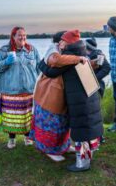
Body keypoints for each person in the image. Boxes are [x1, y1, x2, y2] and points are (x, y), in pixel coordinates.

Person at [30, 32, 86, 161]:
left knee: (63, 123)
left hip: (63, 93)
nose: (60, 43)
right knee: (51, 122)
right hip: (48, 92)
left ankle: (63, 147)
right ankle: (49, 150)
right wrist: (78, 59)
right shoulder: (54, 49)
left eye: (63, 41)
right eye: (60, 40)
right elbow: (55, 60)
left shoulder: (74, 51)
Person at [58, 29, 103, 172]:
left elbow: (50, 71)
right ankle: (88, 155)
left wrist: (45, 60)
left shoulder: (69, 58)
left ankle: (82, 163)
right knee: (88, 126)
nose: (60, 43)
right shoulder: (83, 54)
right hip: (88, 96)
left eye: (62, 40)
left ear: (68, 42)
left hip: (79, 99)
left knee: (81, 130)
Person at [0, 26, 40, 149]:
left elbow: (39, 68)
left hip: (30, 90)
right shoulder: (4, 50)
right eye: (19, 35)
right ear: (13, 36)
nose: (22, 37)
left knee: (27, 116)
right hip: (10, 90)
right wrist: (6, 61)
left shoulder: (32, 50)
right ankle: (11, 139)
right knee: (11, 117)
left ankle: (28, 137)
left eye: (24, 35)